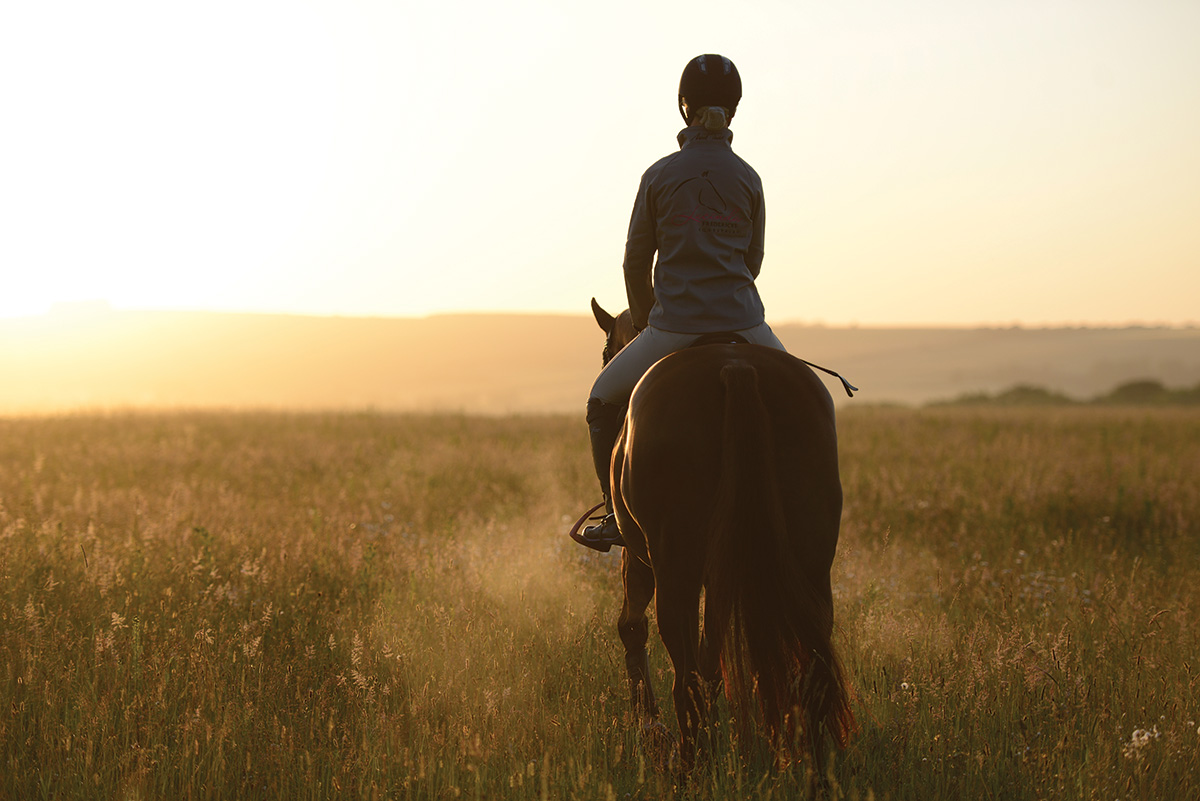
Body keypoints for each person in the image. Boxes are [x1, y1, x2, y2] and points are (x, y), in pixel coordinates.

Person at [573, 53, 788, 552]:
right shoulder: (749, 178)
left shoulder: (659, 175)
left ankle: (615, 515)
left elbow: (634, 263)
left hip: (675, 328)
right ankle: (792, 507)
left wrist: (651, 322)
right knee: (808, 397)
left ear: (682, 106)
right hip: (746, 324)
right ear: (734, 108)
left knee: (602, 400)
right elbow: (752, 261)